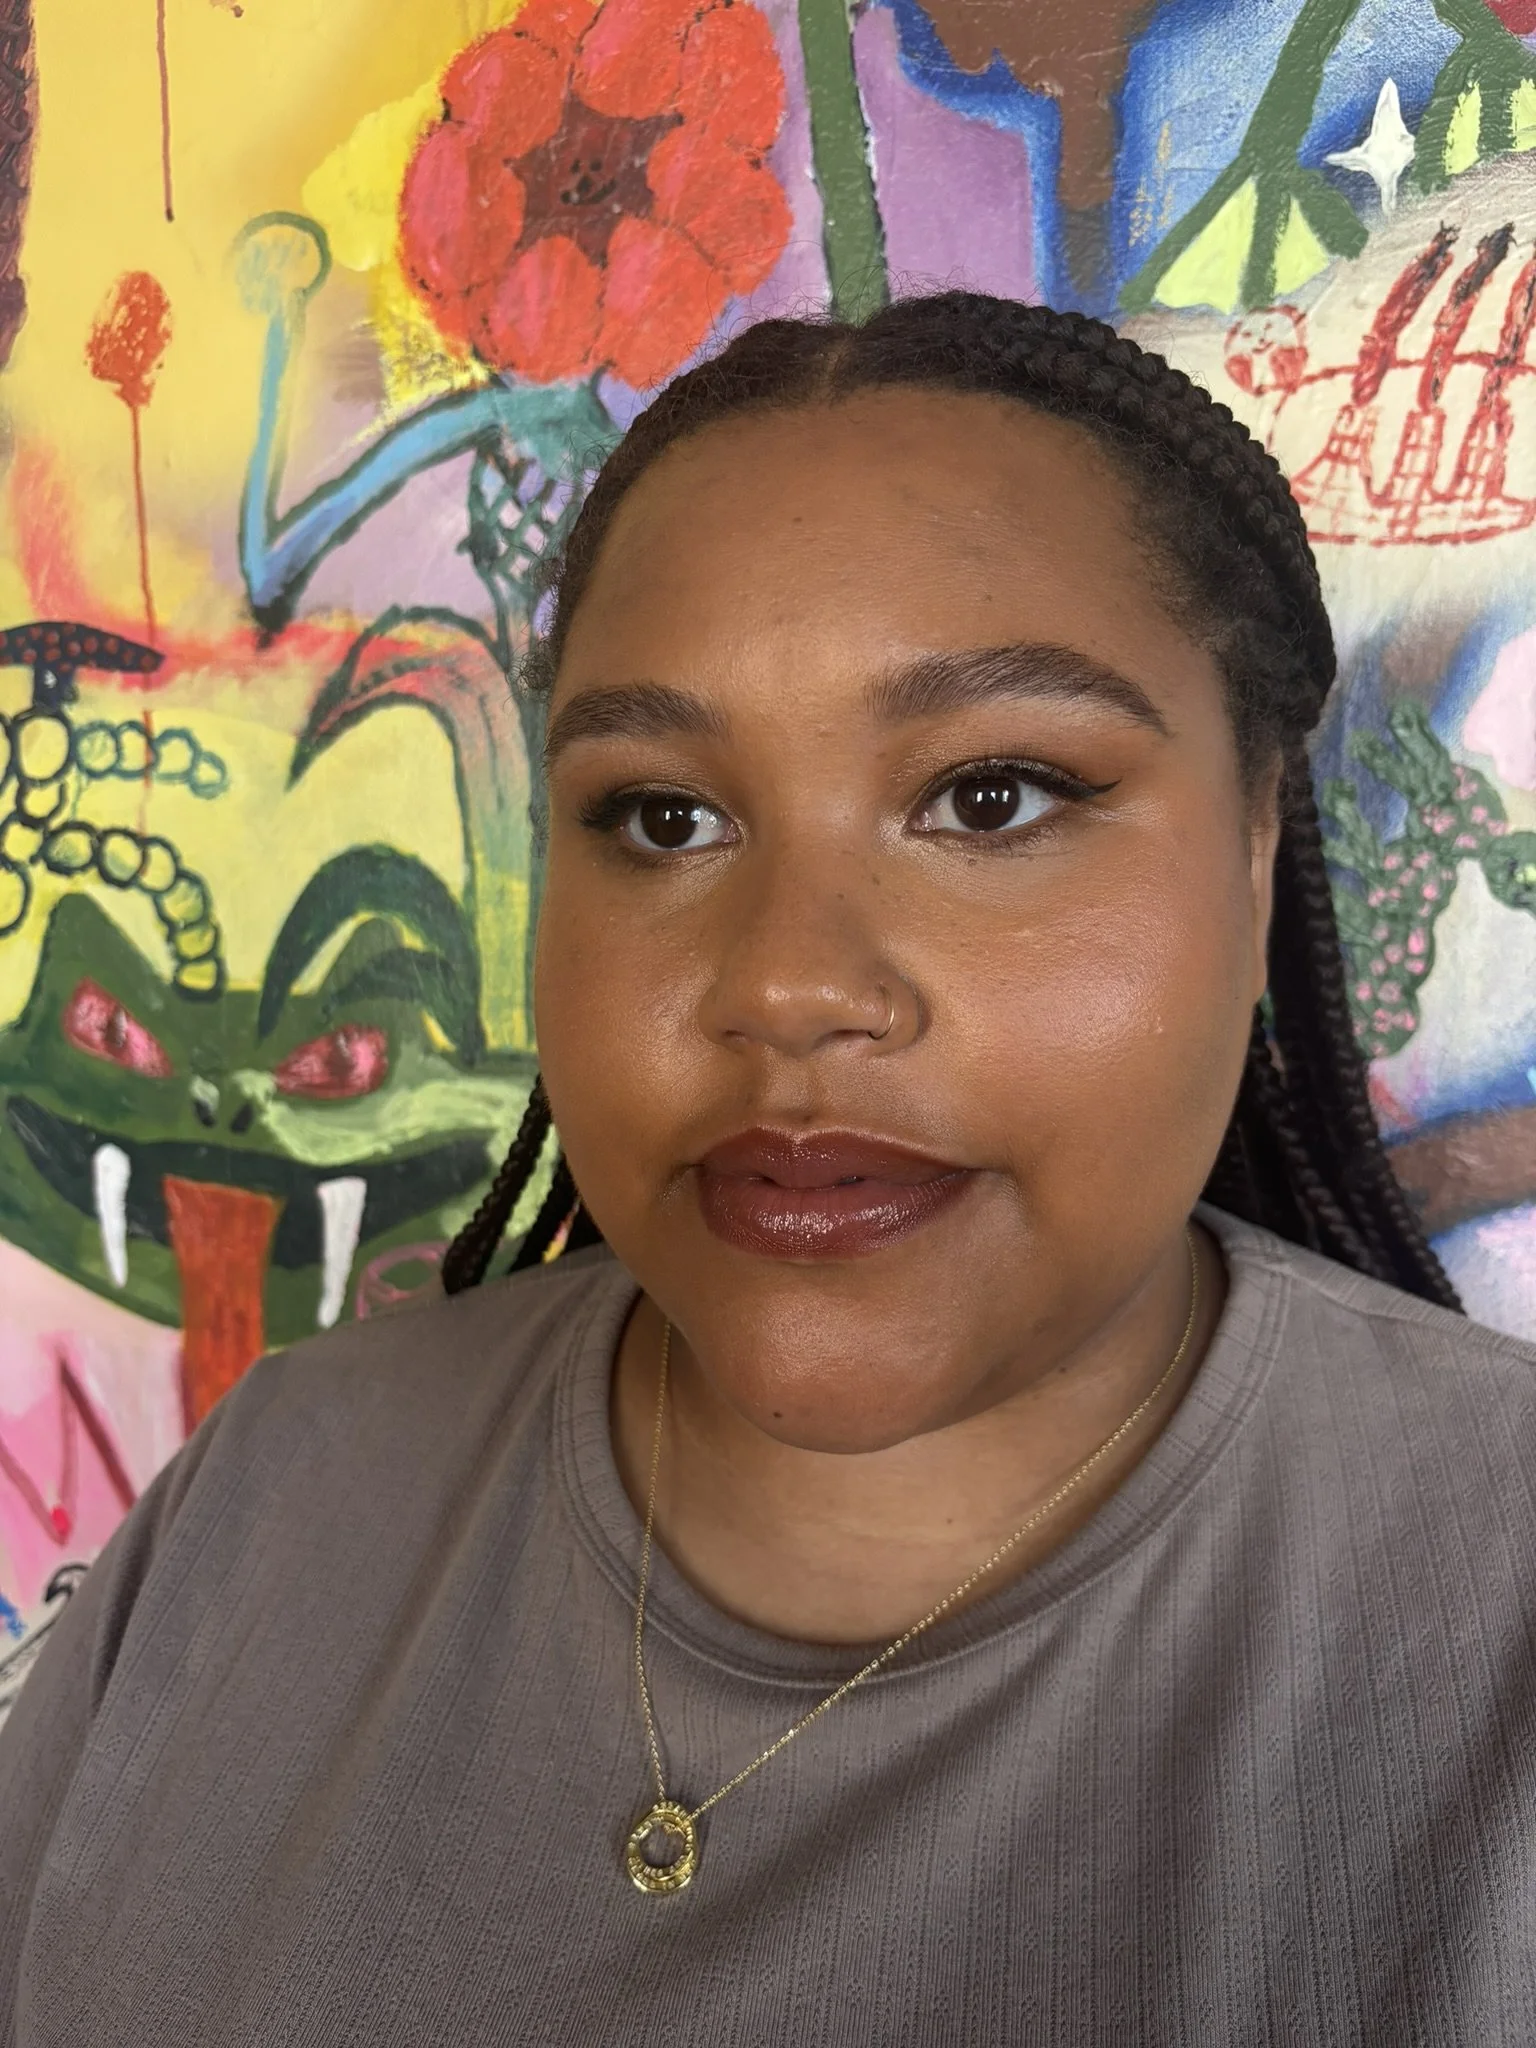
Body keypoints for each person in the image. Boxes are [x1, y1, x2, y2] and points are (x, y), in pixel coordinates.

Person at [4, 295, 1536, 2048]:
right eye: (665, 817)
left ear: (1259, 836)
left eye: (992, 797)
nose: (788, 985)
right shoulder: (279, 1490)